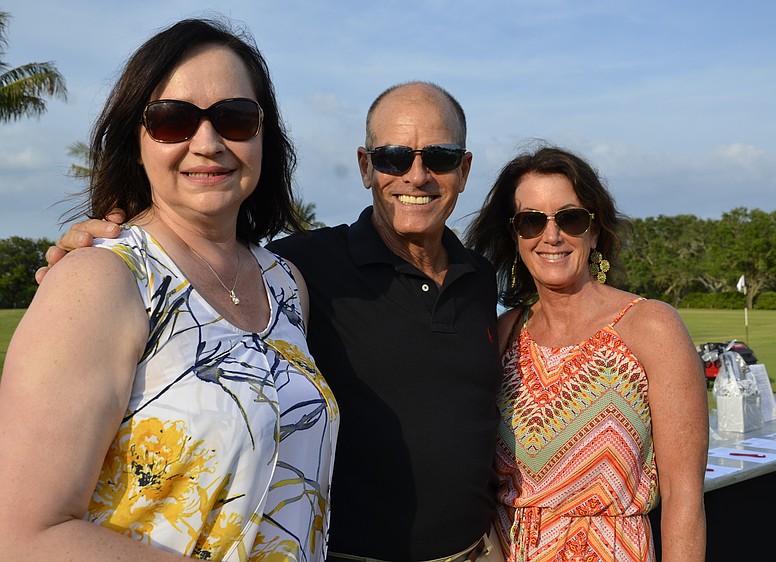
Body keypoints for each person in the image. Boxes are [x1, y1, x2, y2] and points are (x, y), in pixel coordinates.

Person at [35, 81, 504, 562]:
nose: (417, 175)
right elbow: (199, 265)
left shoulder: (480, 277)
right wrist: (95, 257)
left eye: (441, 157)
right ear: (366, 166)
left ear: (464, 171)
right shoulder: (300, 268)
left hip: (477, 550)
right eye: (393, 158)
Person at [0, 18, 338, 561]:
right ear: (136, 143)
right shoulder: (101, 280)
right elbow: (22, 535)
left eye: (234, 118)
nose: (207, 143)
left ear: (262, 136)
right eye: (172, 121)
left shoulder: (285, 283)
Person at [465, 145, 708, 561]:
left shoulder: (651, 327)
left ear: (595, 231)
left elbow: (684, 497)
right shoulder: (504, 334)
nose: (552, 235)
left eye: (570, 218)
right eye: (531, 221)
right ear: (515, 235)